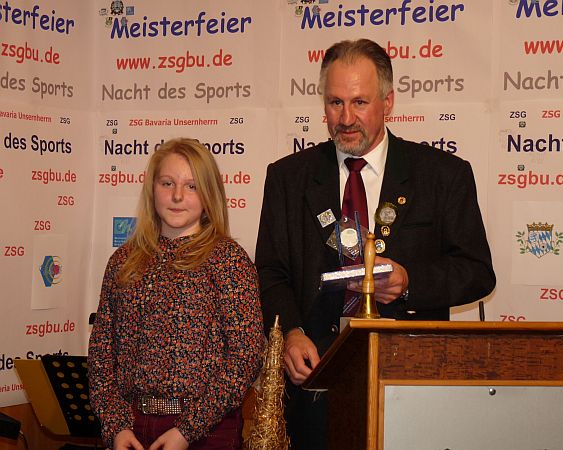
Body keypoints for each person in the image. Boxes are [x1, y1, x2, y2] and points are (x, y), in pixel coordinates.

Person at [255, 39, 495, 449]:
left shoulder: (442, 175)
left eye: (360, 102)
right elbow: (270, 271)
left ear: (388, 102)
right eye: (335, 103)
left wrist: (410, 282)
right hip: (315, 389)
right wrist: (291, 332)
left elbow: (476, 272)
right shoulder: (288, 178)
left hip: (413, 388)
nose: (346, 118)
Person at [89, 138, 264, 450]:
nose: (177, 195)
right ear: (152, 188)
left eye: (191, 186)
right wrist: (116, 427)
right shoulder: (123, 261)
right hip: (130, 429)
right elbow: (102, 355)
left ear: (209, 194)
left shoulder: (228, 260)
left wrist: (188, 429)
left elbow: (245, 357)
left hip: (208, 432)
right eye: (167, 183)